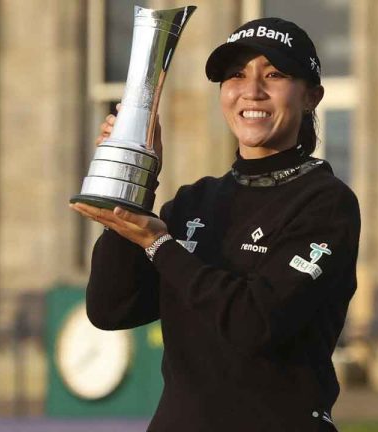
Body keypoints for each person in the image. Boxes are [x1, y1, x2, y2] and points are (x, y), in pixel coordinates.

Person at [70, 17, 360, 432]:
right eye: (236, 75)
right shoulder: (194, 201)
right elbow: (112, 308)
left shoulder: (325, 203)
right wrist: (136, 181)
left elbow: (255, 323)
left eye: (274, 74)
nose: (252, 90)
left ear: (312, 95)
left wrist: (158, 244)